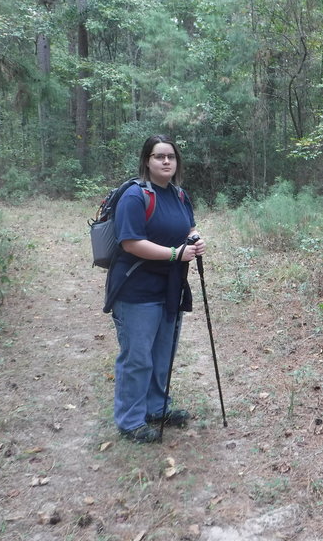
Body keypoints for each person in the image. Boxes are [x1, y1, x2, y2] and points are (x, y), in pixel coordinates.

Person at [103, 134, 205, 443]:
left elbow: (187, 226)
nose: (166, 161)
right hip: (136, 289)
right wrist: (175, 254)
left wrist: (196, 238)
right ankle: (131, 421)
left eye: (171, 157)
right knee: (138, 357)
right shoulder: (136, 196)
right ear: (147, 160)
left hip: (171, 287)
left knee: (163, 353)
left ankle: (157, 407)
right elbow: (131, 242)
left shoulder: (179, 195)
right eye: (159, 156)